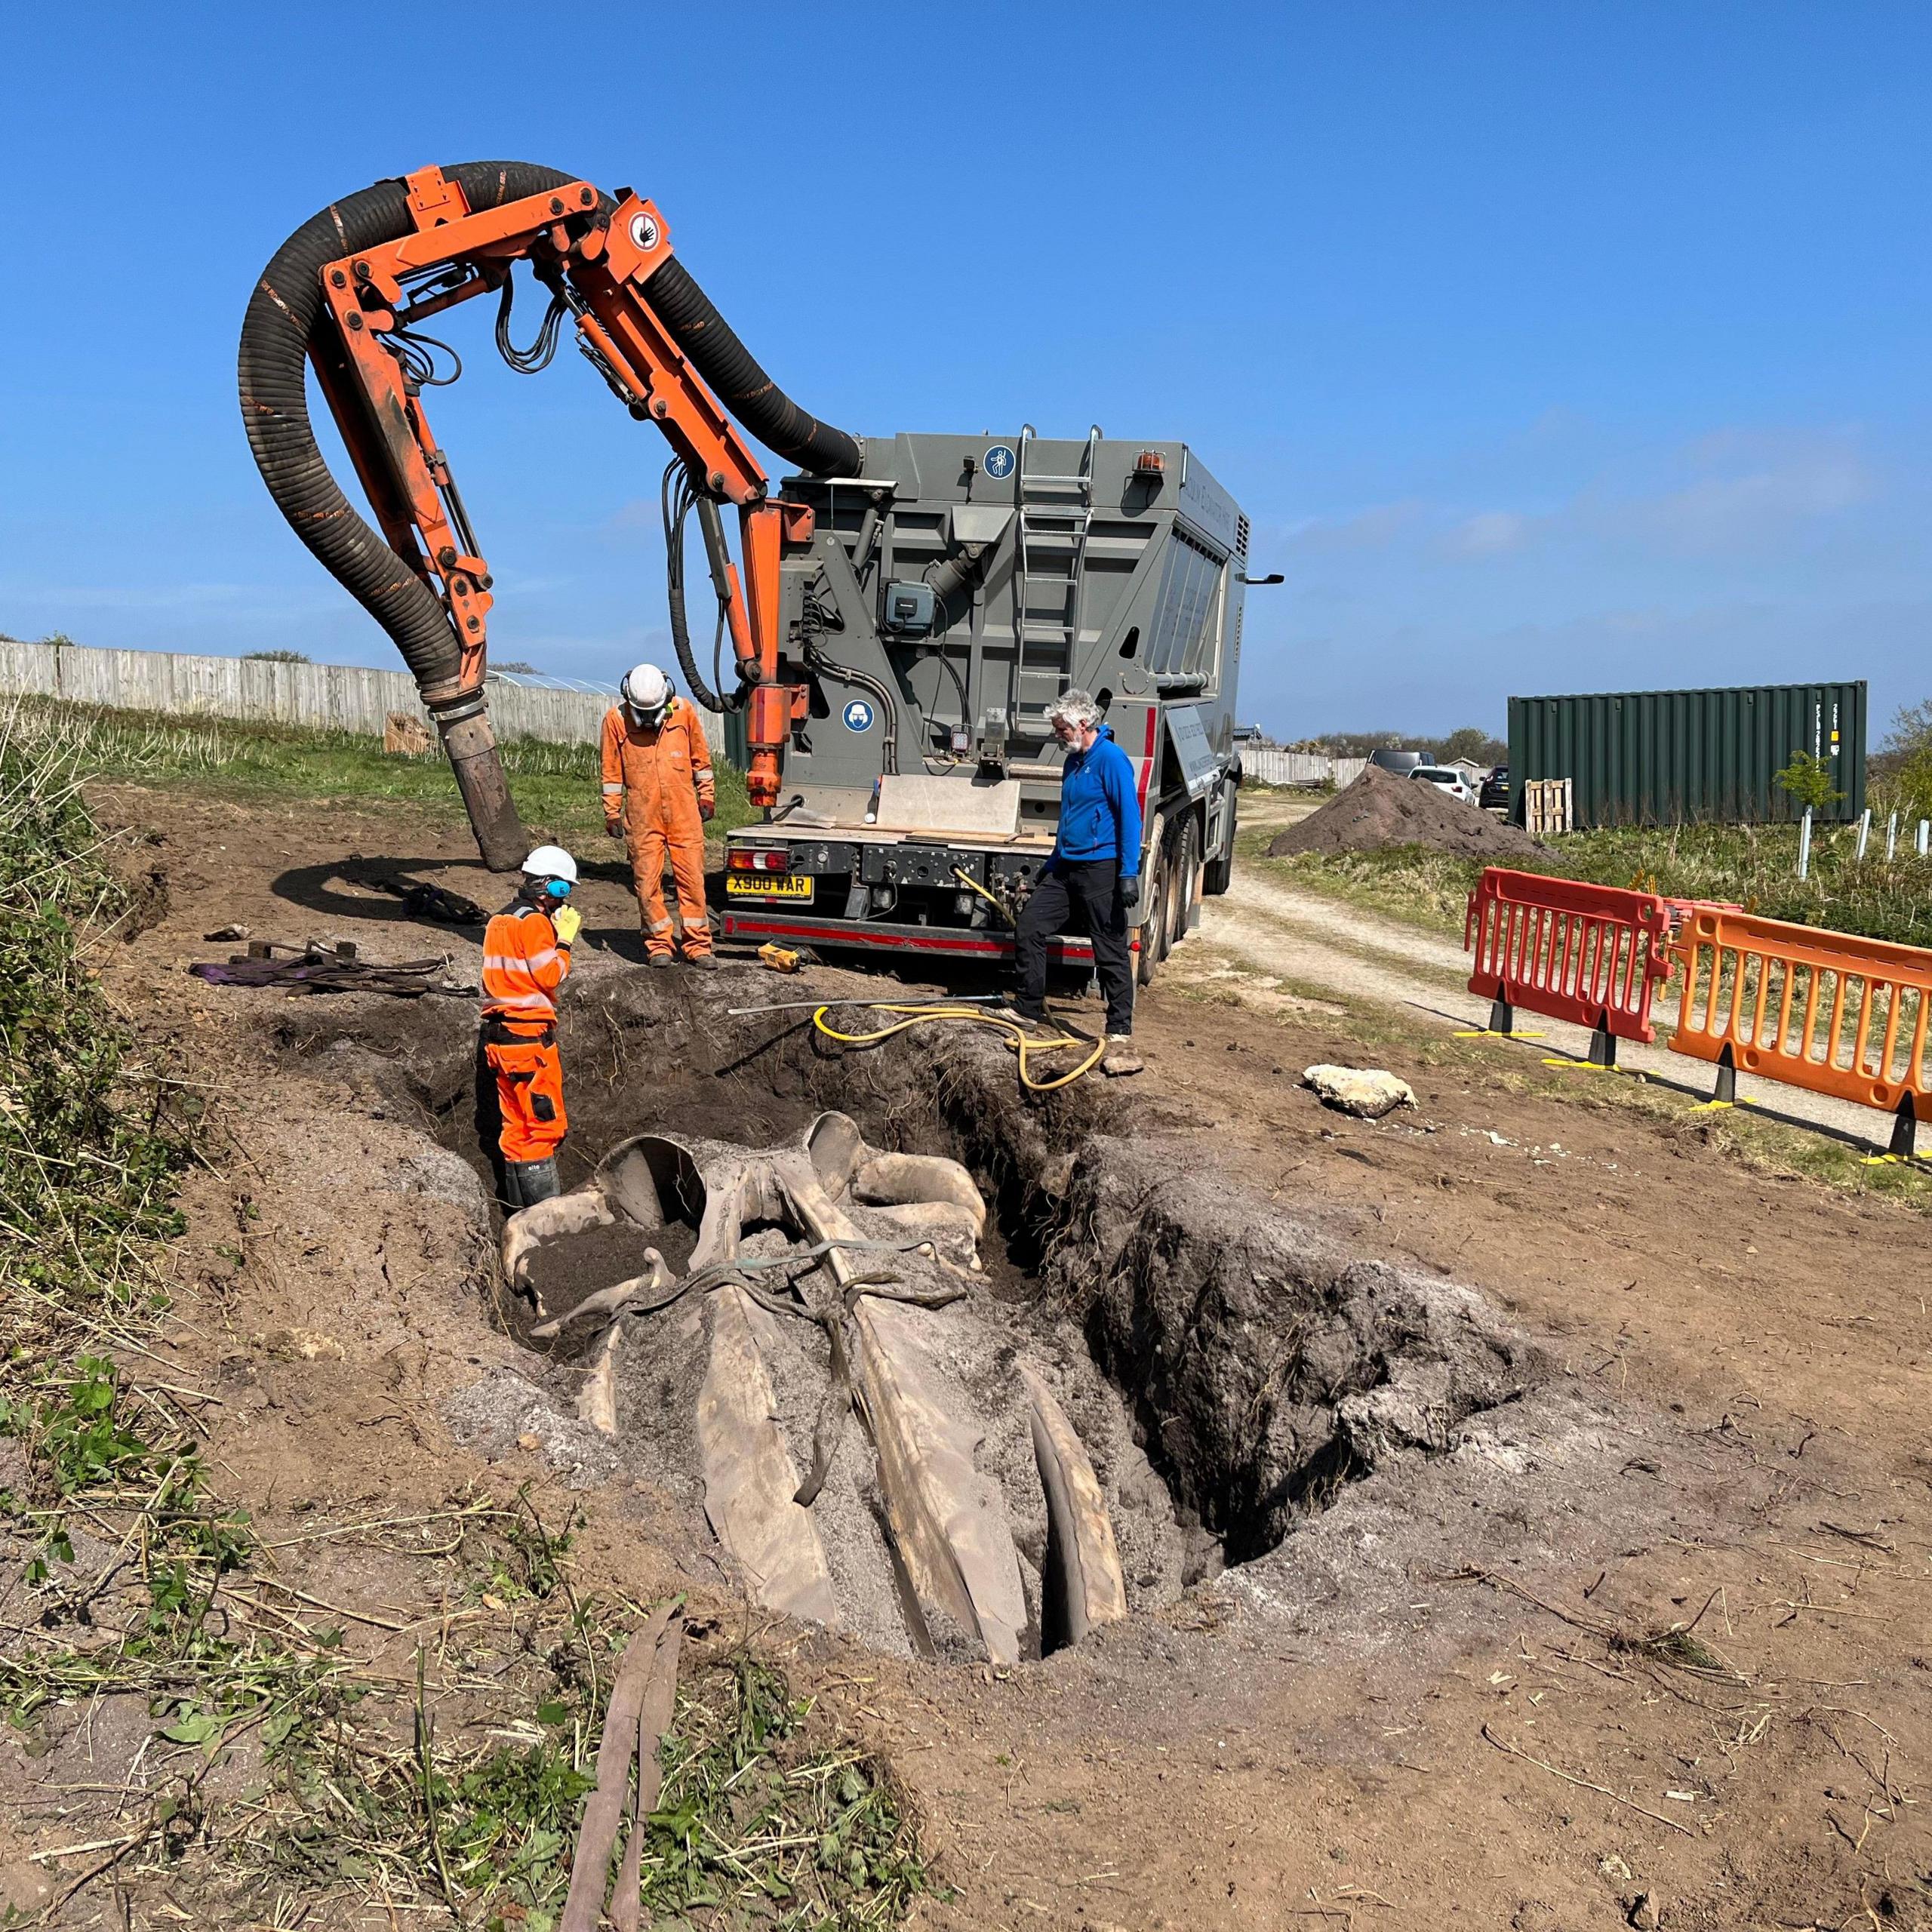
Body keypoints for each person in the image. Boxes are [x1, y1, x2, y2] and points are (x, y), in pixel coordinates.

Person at [1012, 689, 1143, 1068]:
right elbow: (1069, 819)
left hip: (1101, 869)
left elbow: (1129, 819)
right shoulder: (1072, 762)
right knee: (1030, 926)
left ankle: (1120, 1028)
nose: (1057, 736)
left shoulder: (1112, 760)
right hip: (1066, 867)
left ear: (1081, 725)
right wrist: (1052, 863)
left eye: (1060, 729)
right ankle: (1027, 1010)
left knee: (1109, 949)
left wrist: (1128, 872)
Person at [480, 844, 581, 1208]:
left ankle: (520, 1218)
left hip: (499, 1040)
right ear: (553, 889)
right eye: (564, 891)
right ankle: (546, 1224)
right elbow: (550, 975)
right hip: (529, 1041)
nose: (564, 901)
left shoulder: (499, 920)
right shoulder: (535, 923)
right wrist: (565, 941)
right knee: (542, 1127)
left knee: (515, 1129)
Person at [601, 662, 718, 970]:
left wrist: (707, 794)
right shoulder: (616, 721)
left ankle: (698, 946)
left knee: (692, 881)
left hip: (684, 813)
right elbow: (611, 770)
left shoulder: (684, 712)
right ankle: (659, 945)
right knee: (647, 883)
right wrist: (612, 811)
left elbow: (700, 757)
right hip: (642, 816)